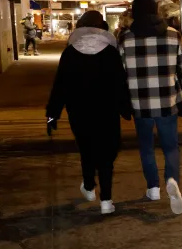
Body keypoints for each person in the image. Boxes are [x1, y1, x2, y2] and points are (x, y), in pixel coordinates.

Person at [46, 11, 132, 215]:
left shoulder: (70, 53)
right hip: (107, 111)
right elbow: (120, 83)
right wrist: (125, 109)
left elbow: (60, 85)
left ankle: (88, 185)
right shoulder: (110, 53)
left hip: (79, 111)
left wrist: (53, 113)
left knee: (86, 149)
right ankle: (106, 201)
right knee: (106, 155)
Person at [119, 0, 182, 215]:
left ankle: (153, 188)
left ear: (135, 12)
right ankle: (172, 180)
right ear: (155, 11)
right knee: (170, 146)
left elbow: (120, 71)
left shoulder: (125, 38)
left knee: (146, 147)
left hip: (139, 103)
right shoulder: (174, 36)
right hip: (167, 101)